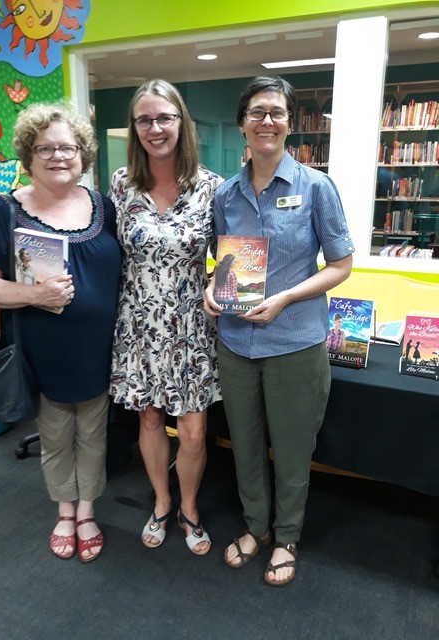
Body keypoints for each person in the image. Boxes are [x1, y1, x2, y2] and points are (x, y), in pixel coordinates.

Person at [204, 75, 354, 586]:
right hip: (236, 342)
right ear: (242, 124)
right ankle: (255, 527)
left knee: (291, 449)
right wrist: (211, 288)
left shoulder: (316, 187)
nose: (267, 121)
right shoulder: (225, 194)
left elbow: (341, 265)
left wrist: (286, 297)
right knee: (244, 445)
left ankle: (286, 537)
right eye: (257, 112)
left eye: (277, 112)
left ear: (290, 123)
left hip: (294, 341)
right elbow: (222, 262)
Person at [0, 103, 122, 563]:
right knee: (55, 435)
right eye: (46, 148)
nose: (59, 156)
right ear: (29, 155)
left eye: (68, 148)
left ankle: (87, 511)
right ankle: (64, 511)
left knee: (94, 433)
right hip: (44, 351)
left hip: (99, 349)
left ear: (83, 154)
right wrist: (34, 295)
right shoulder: (6, 211)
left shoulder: (103, 206)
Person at [109, 79, 222, 555]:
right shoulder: (121, 184)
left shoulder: (212, 187)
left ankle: (188, 508)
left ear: (182, 123)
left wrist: (218, 283)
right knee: (151, 418)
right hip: (138, 323)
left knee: (193, 430)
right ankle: (161, 501)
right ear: (135, 127)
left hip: (190, 326)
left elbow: (232, 257)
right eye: (145, 120)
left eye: (164, 118)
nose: (155, 128)